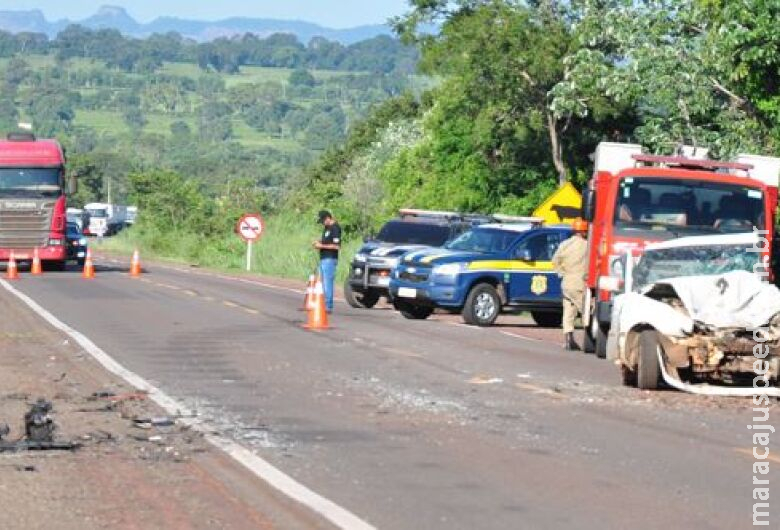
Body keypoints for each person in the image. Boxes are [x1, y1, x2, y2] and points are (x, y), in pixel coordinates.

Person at [552, 219, 589, 350]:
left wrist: (562, 273)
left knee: (568, 311)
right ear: (584, 231)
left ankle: (568, 340)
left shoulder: (565, 244)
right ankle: (590, 340)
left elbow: (555, 260)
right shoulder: (587, 245)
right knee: (587, 311)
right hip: (580, 284)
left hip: (566, 283)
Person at [313, 210, 341, 313]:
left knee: (327, 283)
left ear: (328, 218)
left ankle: (328, 306)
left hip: (330, 258)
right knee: (321, 282)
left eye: (323, 221)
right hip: (323, 258)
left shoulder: (335, 228)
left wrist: (321, 246)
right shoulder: (327, 228)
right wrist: (319, 241)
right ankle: (322, 304)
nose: (322, 223)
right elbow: (327, 240)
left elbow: (337, 246)